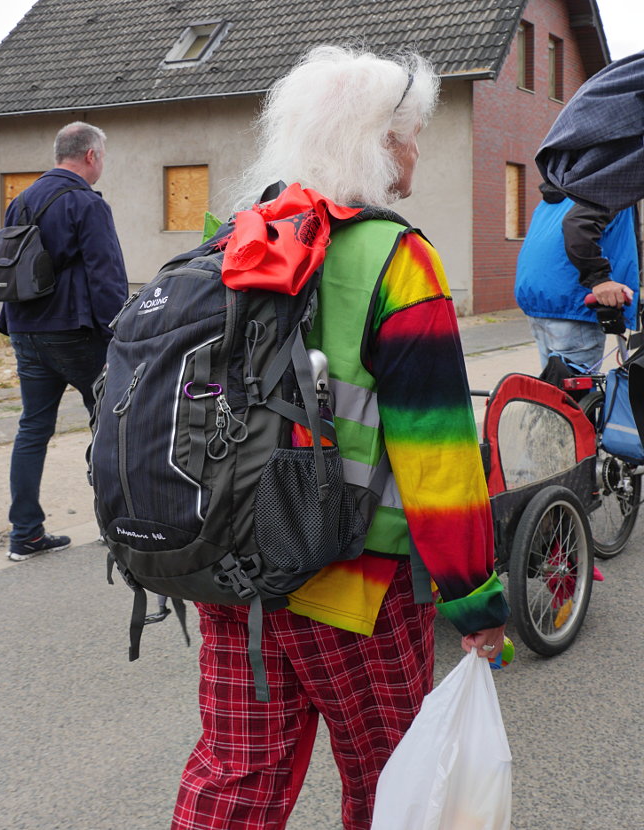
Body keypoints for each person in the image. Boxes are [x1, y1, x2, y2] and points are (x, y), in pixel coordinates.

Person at [171, 46, 509, 830]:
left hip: (234, 578)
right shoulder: (400, 258)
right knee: (392, 779)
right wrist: (475, 599)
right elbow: (440, 463)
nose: (417, 149)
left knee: (235, 780)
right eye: (411, 133)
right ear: (380, 142)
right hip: (354, 590)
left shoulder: (234, 238)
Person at [0, 121, 128, 562]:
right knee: (112, 425)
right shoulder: (86, 204)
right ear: (91, 156)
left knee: (32, 429)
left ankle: (25, 535)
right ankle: (120, 528)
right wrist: (122, 335)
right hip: (75, 334)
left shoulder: (22, 200)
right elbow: (106, 277)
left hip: (25, 331)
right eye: (102, 157)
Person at [515, 181, 639, 370]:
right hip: (575, 301)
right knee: (574, 393)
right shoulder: (610, 186)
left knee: (554, 388)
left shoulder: (565, 193)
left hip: (543, 297)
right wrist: (599, 279)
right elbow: (577, 225)